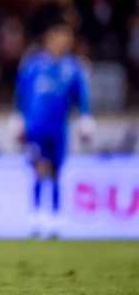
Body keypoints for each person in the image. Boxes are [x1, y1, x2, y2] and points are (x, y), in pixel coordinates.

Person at [14, 22, 94, 237]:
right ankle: (37, 217)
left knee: (58, 172)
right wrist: (17, 118)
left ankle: (56, 219)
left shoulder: (74, 67)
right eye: (59, 37)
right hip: (37, 126)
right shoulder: (33, 65)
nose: (62, 42)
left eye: (66, 39)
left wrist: (86, 117)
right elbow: (20, 93)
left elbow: (82, 96)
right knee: (40, 169)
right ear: (49, 39)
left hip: (59, 128)